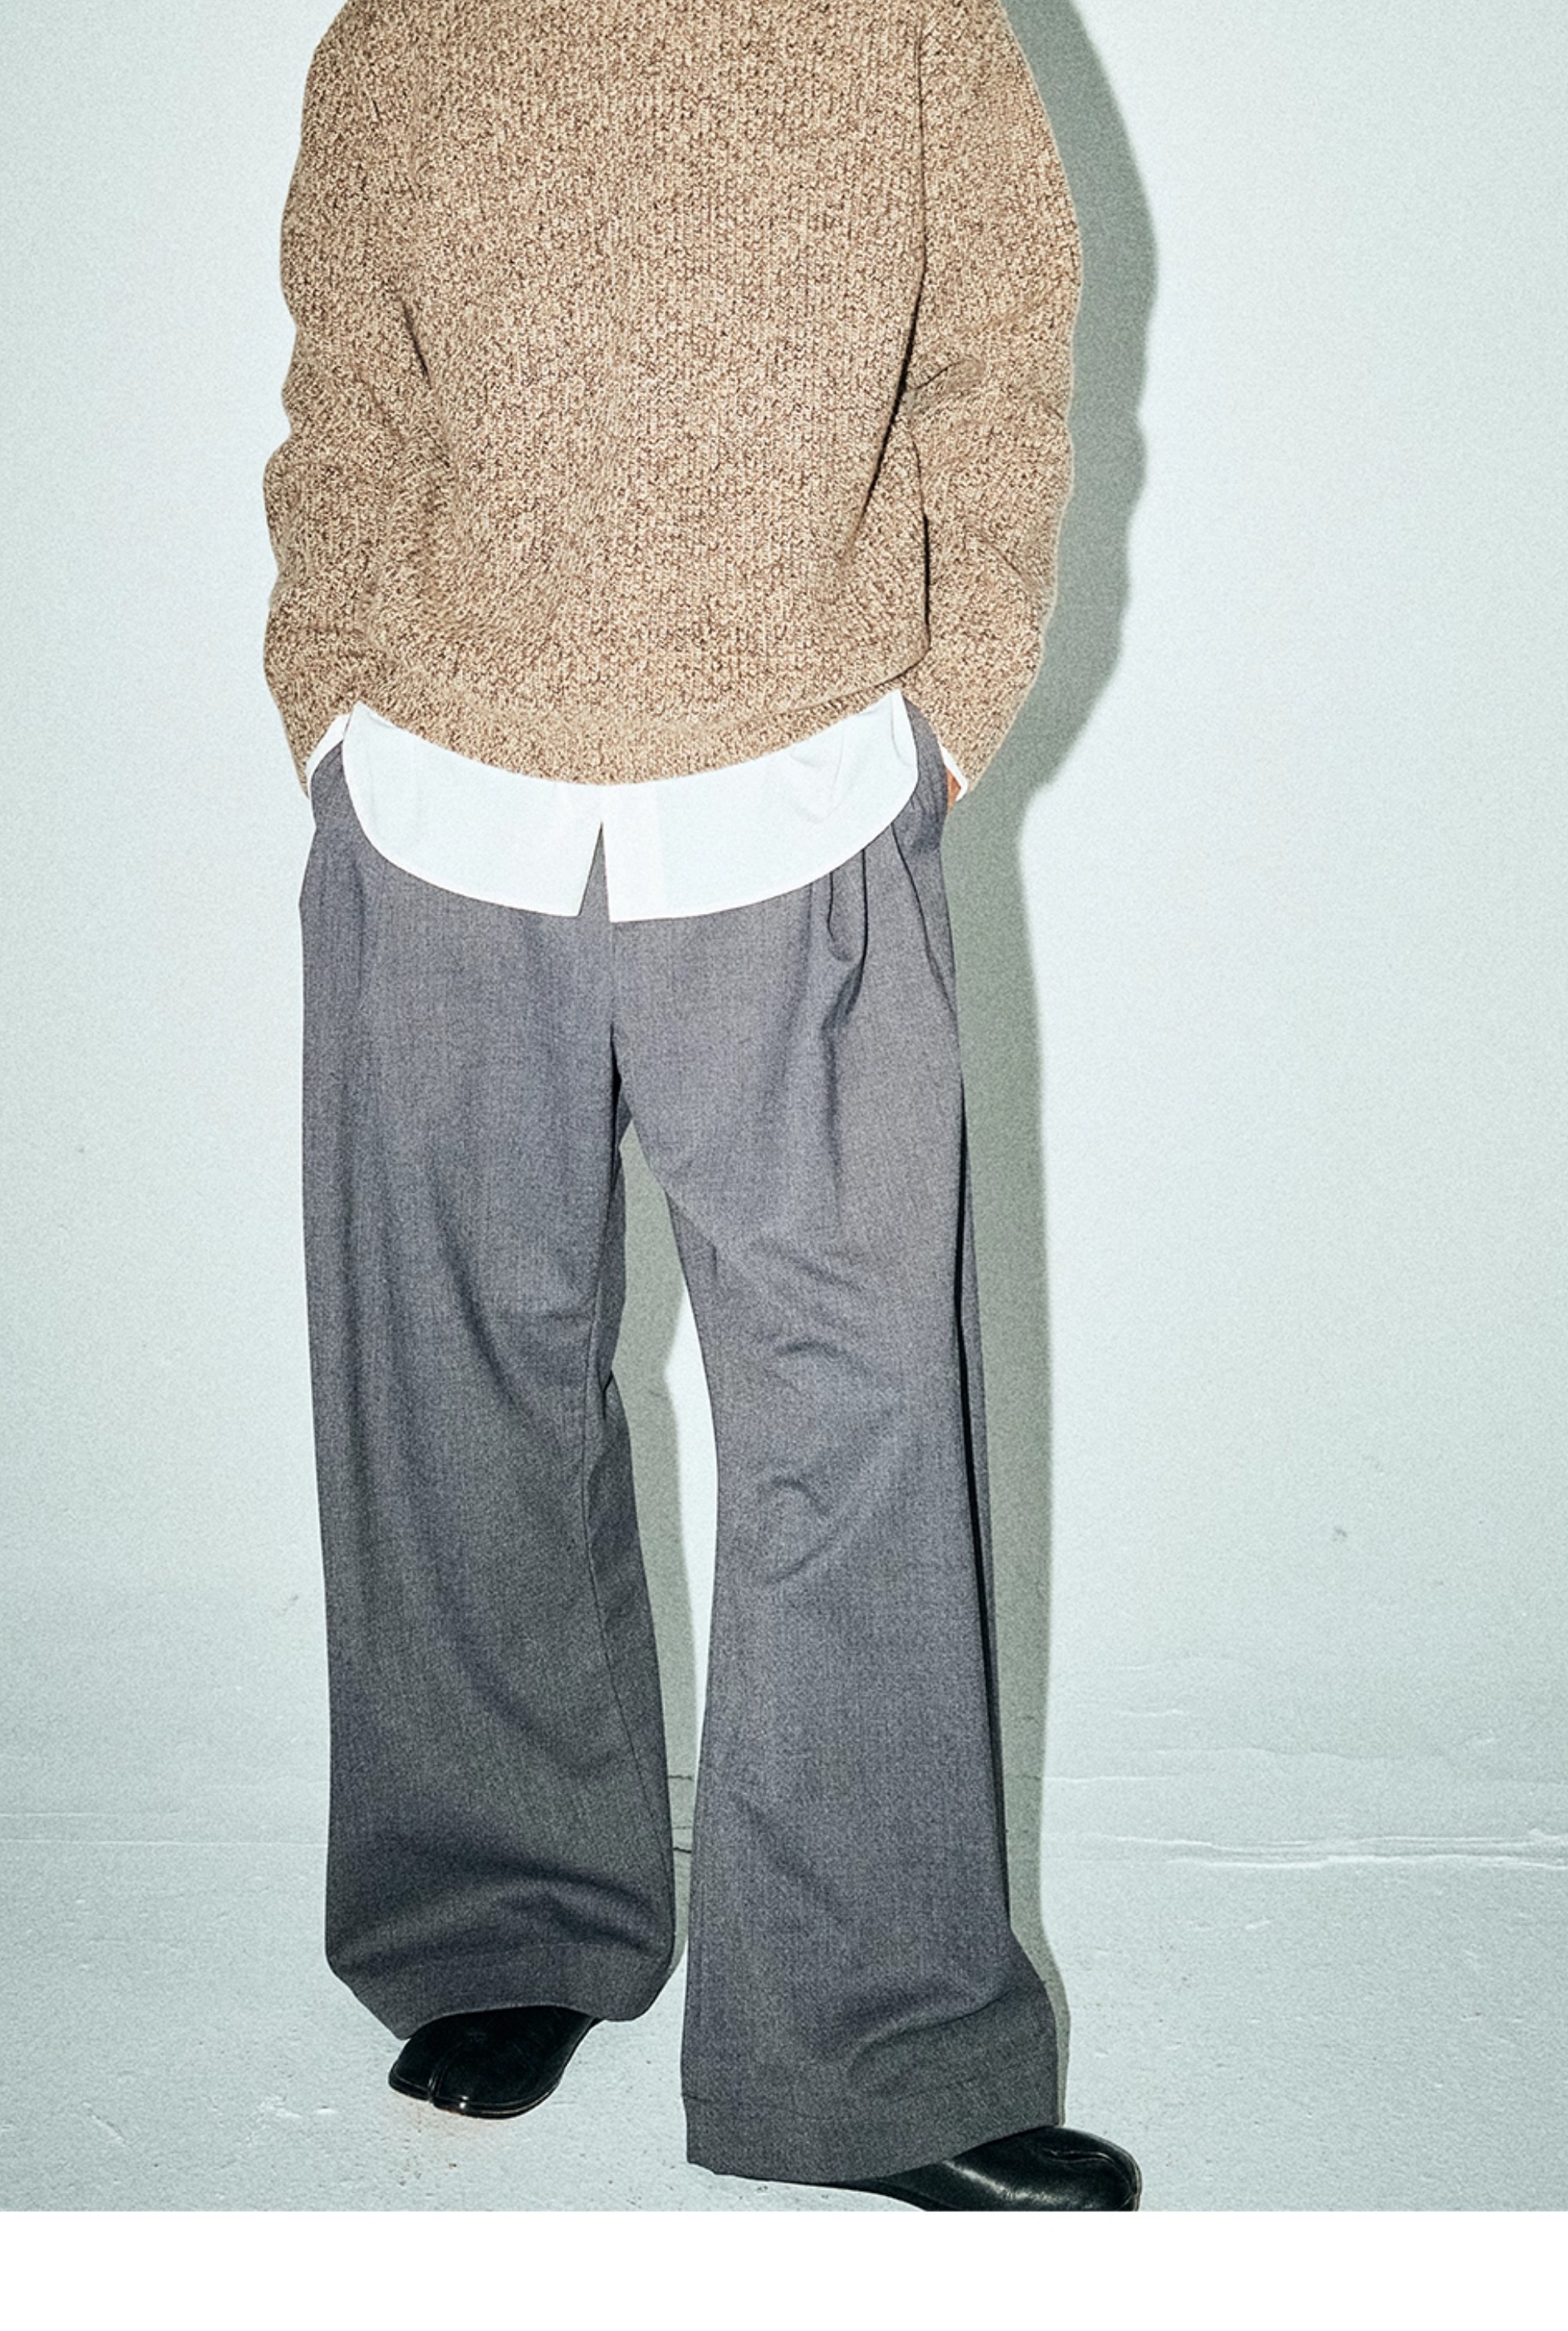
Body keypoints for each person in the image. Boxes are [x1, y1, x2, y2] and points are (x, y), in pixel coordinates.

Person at [262, 0, 1138, 2210]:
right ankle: (504, 1921)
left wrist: (941, 714)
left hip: (800, 791)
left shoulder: (915, 28)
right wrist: (328, 703)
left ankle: (880, 2050)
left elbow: (1001, 360)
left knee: (862, 1418)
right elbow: (343, 382)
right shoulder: (401, 29)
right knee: (457, 1389)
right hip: (441, 799)